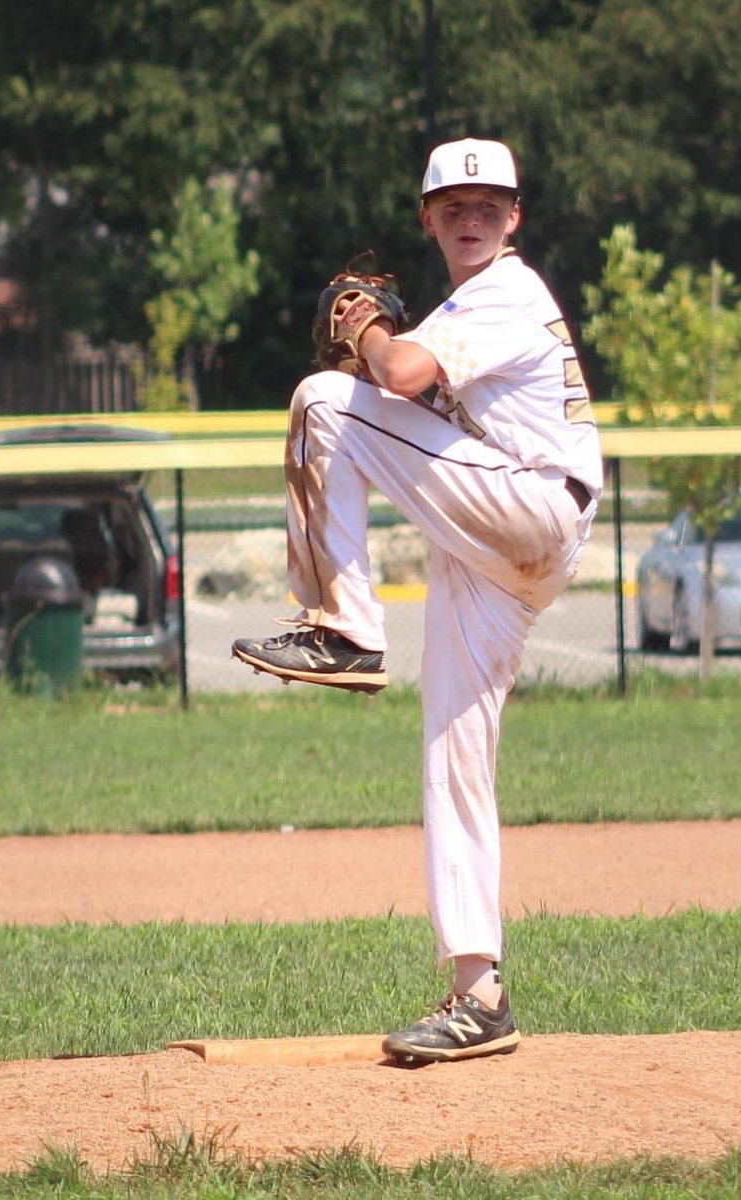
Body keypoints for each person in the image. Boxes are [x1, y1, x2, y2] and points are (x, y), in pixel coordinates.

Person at [232, 137, 602, 1063]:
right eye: (454, 205)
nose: (471, 215)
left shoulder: (505, 293)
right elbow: (412, 401)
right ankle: (479, 994)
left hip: (527, 506)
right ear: (428, 219)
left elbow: (390, 379)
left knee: (323, 399)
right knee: (454, 755)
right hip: (501, 542)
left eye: (489, 203)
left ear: (514, 218)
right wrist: (383, 349)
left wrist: (361, 332)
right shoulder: (461, 312)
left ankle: (350, 630)